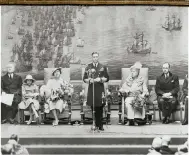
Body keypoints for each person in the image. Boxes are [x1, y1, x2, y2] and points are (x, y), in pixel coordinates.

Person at [83, 52, 109, 131]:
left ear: (98, 57)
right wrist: (89, 80)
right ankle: (94, 123)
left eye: (96, 57)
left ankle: (100, 125)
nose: (95, 58)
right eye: (94, 57)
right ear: (92, 57)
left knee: (100, 107)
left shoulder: (103, 67)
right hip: (92, 89)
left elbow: (107, 78)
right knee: (93, 107)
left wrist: (100, 79)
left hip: (100, 89)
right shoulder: (88, 67)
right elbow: (84, 79)